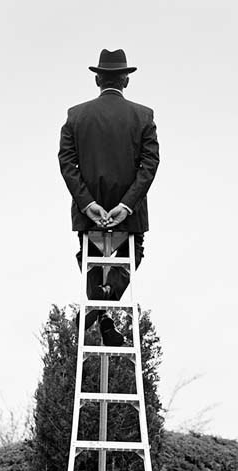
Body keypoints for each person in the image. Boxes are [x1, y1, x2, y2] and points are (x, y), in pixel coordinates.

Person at [58, 48, 160, 345]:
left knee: (88, 256)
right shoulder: (143, 116)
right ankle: (105, 302)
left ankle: (99, 305)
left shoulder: (76, 116)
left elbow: (67, 162)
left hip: (87, 211)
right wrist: (126, 205)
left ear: (97, 80)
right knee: (133, 251)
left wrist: (88, 203)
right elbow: (149, 164)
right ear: (126, 80)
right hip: (129, 214)